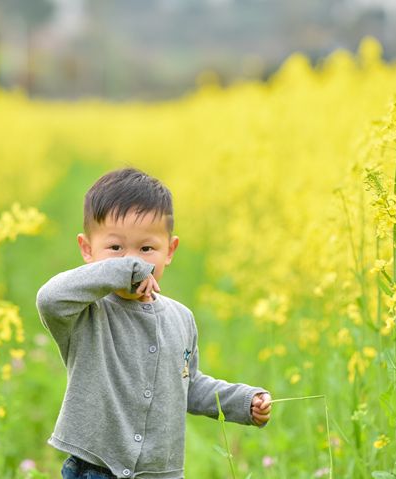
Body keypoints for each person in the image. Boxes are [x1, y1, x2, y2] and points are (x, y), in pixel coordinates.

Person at [36, 167, 272, 479]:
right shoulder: (86, 312)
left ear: (170, 250)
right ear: (87, 250)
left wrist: (243, 402)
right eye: (116, 248)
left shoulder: (181, 318)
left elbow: (189, 385)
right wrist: (124, 270)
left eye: (146, 249)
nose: (133, 260)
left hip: (160, 472)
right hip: (95, 467)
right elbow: (49, 298)